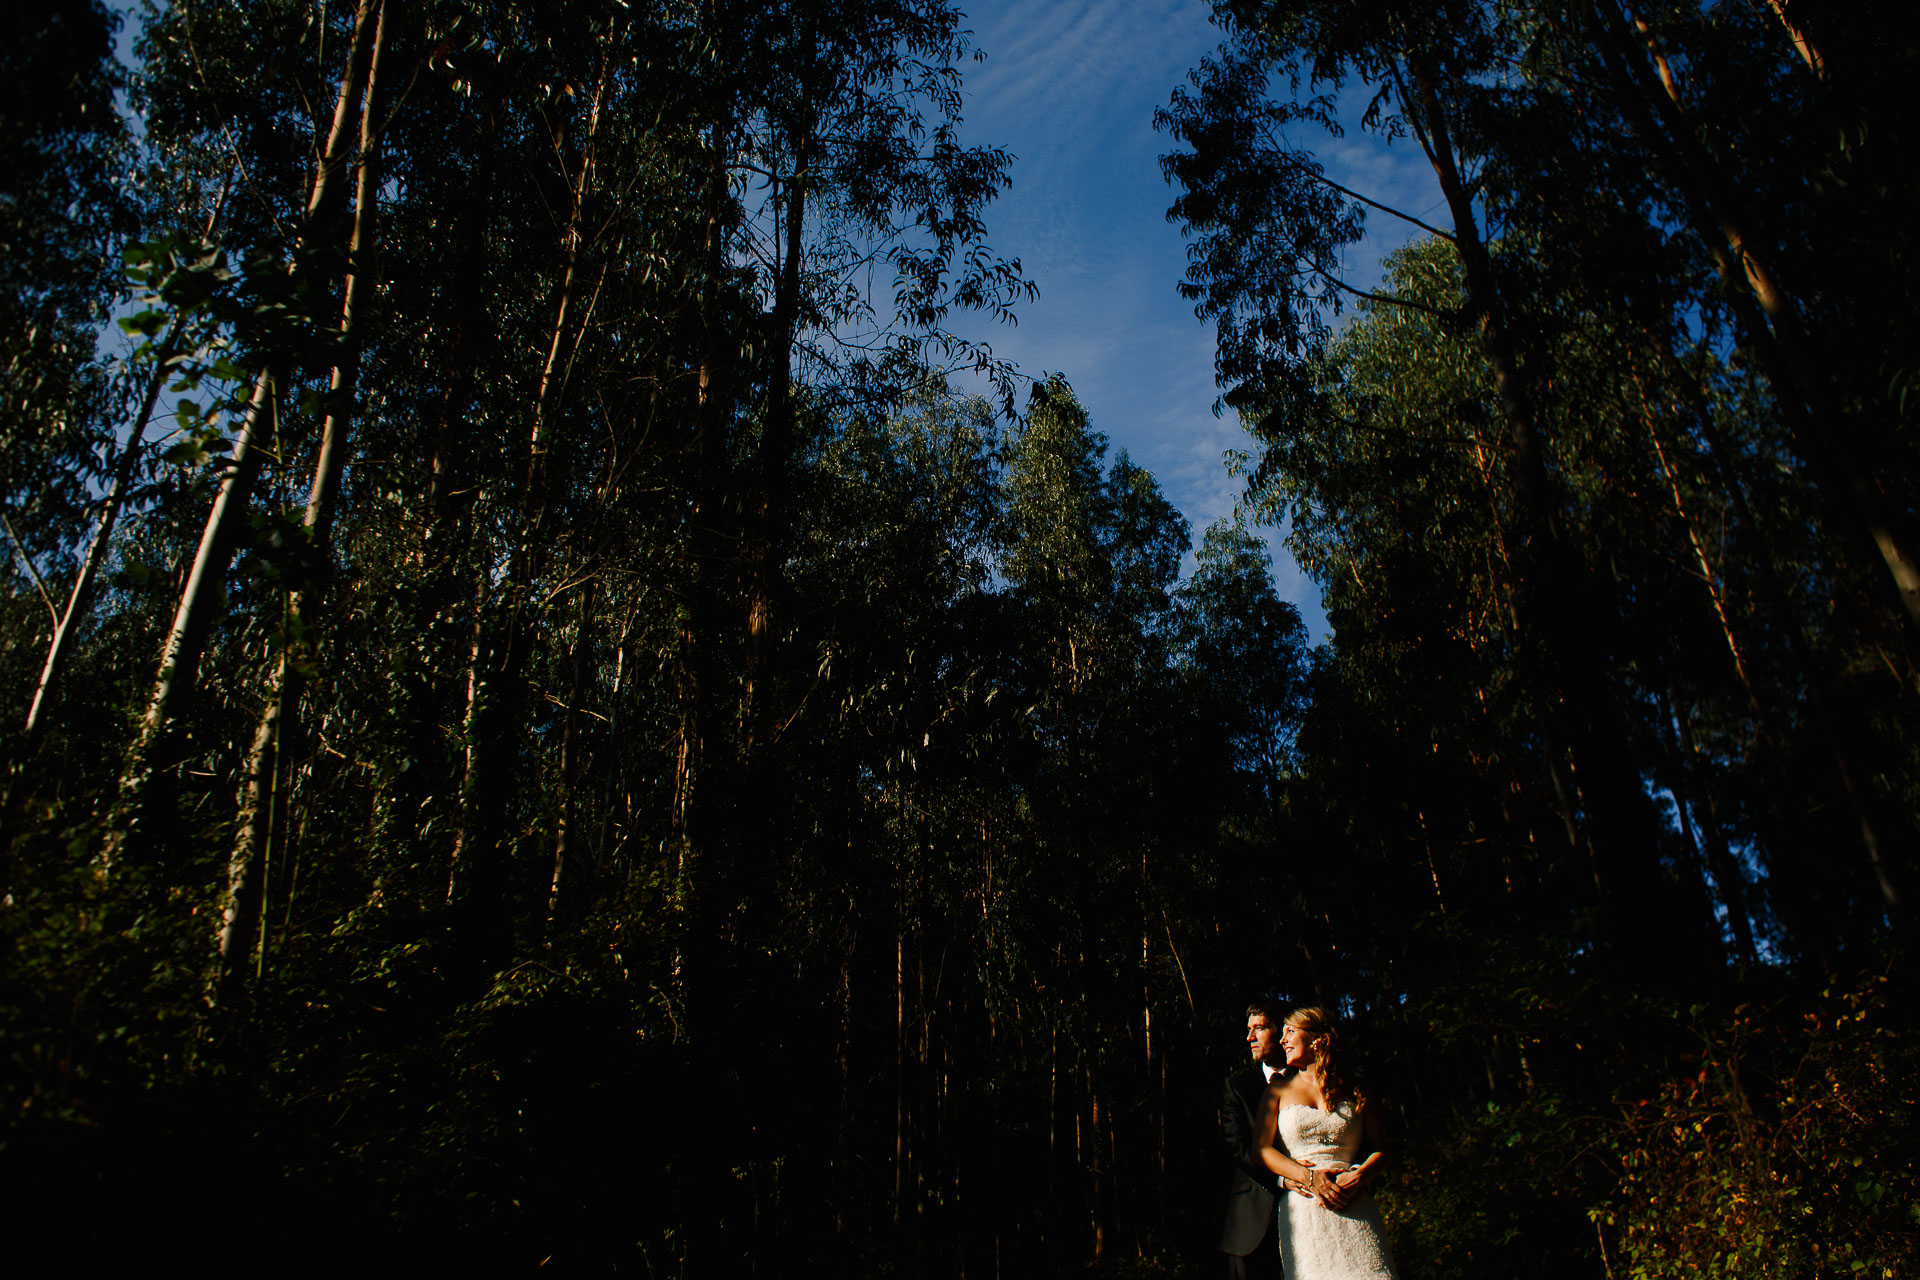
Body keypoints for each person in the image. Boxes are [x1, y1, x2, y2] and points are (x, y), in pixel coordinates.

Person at [1255, 1006, 1399, 1279]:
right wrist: (1309, 1177)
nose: (1282, 1040)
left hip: (1354, 1202)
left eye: (1290, 1032)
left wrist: (1359, 1177)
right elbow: (1260, 1150)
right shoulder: (1276, 1090)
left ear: (1317, 1039)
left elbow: (1384, 1149)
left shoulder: (1356, 1088)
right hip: (1305, 1210)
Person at [1218, 998, 1300, 1279]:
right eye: (1249, 1029)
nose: (1249, 1037)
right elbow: (1237, 1146)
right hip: (1251, 1224)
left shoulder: (1309, 1079)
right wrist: (1282, 1179)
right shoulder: (1236, 1086)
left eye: (1260, 1028)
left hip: (1310, 1213)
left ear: (1282, 1031)